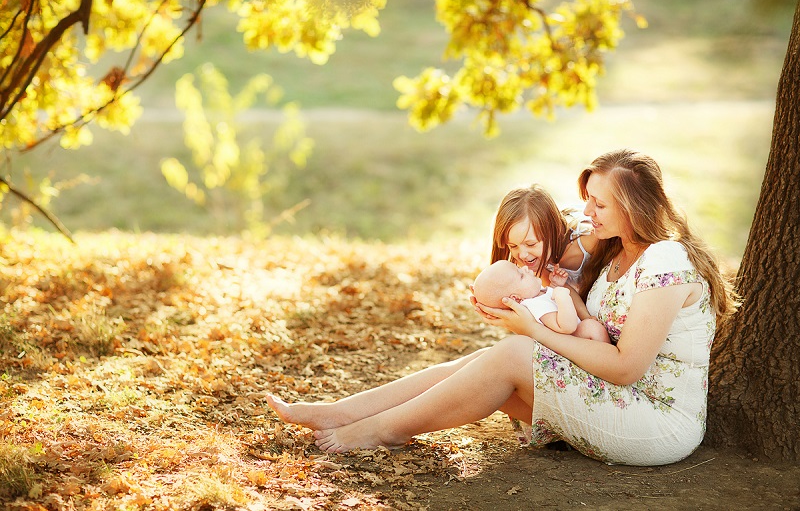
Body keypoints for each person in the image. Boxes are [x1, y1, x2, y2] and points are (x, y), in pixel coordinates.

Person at [266, 149, 737, 467]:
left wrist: (533, 329)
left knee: (513, 355)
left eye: (599, 204)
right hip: (613, 397)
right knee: (481, 365)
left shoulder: (666, 260)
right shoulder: (614, 250)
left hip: (655, 422)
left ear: (634, 207)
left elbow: (627, 367)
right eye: (587, 200)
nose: (587, 213)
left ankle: (379, 431)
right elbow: (558, 241)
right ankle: (341, 413)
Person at [488, 184, 599, 289]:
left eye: (531, 244)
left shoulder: (588, 239)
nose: (522, 255)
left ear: (552, 231)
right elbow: (559, 293)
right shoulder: (525, 260)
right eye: (512, 246)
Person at [472, 259, 609, 342]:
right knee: (591, 327)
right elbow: (567, 327)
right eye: (521, 275)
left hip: (577, 343)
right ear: (516, 298)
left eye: (519, 268)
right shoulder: (534, 306)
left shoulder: (537, 296)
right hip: (572, 345)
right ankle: (606, 365)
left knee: (591, 326)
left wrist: (555, 285)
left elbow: (551, 304)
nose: (525, 268)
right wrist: (562, 297)